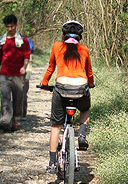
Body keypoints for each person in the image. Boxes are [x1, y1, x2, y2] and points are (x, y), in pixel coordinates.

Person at [40, 20, 94, 175]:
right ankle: (82, 136)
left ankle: (52, 162)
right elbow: (89, 73)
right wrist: (90, 84)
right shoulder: (84, 49)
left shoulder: (57, 46)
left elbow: (51, 68)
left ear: (63, 35)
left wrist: (44, 83)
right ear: (80, 37)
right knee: (84, 110)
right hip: (81, 88)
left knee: (56, 126)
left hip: (61, 88)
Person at [0, 14, 31, 132]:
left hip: (18, 74)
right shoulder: (1, 41)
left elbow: (26, 55)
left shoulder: (22, 40)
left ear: (16, 25)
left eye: (12, 26)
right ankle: (5, 121)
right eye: (8, 27)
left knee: (18, 98)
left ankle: (16, 121)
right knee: (5, 97)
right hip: (5, 74)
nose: (10, 29)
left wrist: (24, 67)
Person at [22, 37, 34, 120]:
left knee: (23, 94)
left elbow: (29, 67)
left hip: (24, 76)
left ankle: (23, 114)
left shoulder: (29, 56)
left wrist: (27, 77)